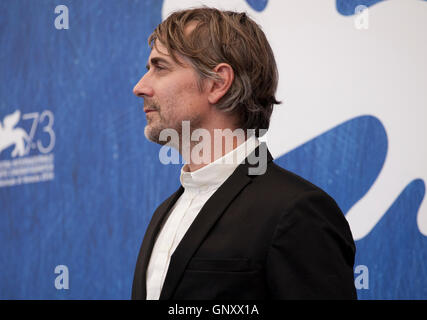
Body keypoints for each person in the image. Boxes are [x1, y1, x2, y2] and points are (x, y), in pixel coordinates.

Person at [131, 7, 357, 300]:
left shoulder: (296, 212)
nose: (140, 87)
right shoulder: (165, 213)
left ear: (217, 83)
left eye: (160, 67)